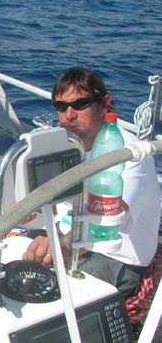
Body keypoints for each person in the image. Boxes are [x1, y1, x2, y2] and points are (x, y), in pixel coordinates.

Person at [22, 67, 160, 297]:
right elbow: (55, 205)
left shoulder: (129, 153)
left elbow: (111, 219)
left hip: (114, 257)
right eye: (61, 107)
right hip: (67, 237)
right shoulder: (67, 146)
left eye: (80, 104)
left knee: (40, 293)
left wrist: (63, 245)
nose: (69, 115)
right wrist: (29, 210)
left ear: (104, 104)